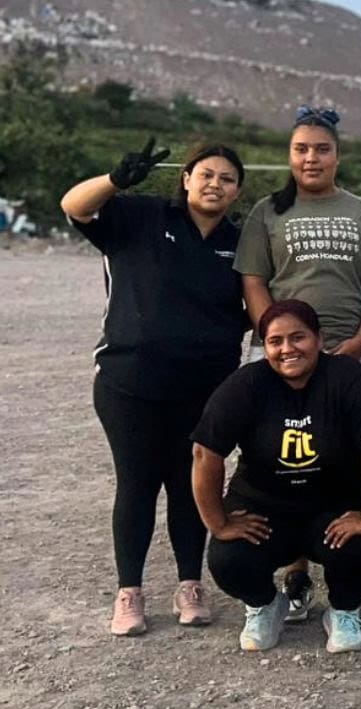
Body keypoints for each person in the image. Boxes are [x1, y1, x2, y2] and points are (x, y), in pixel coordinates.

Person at [61, 138, 248, 636]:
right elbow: (74, 207)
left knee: (190, 487)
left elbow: (260, 306)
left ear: (237, 192)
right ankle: (130, 593)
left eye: (227, 179)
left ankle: (190, 585)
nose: (215, 184)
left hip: (206, 389)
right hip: (129, 384)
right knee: (138, 484)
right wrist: (115, 181)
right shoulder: (141, 217)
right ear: (186, 178)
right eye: (206, 174)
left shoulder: (242, 241)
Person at [234, 106, 361, 623]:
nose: (312, 157)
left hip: (352, 357)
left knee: (360, 466)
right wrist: (279, 344)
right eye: (302, 148)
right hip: (282, 359)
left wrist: (359, 341)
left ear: (337, 155)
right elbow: (254, 282)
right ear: (290, 155)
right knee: (288, 465)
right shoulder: (268, 212)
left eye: (322, 148)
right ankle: (297, 575)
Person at [192, 300, 361, 653]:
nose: (287, 349)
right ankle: (265, 605)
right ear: (265, 347)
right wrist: (218, 522)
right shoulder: (247, 385)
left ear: (319, 339)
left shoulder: (348, 378)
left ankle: (343, 609)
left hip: (333, 507)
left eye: (297, 337)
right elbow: (204, 452)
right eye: (275, 341)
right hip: (265, 508)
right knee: (229, 559)